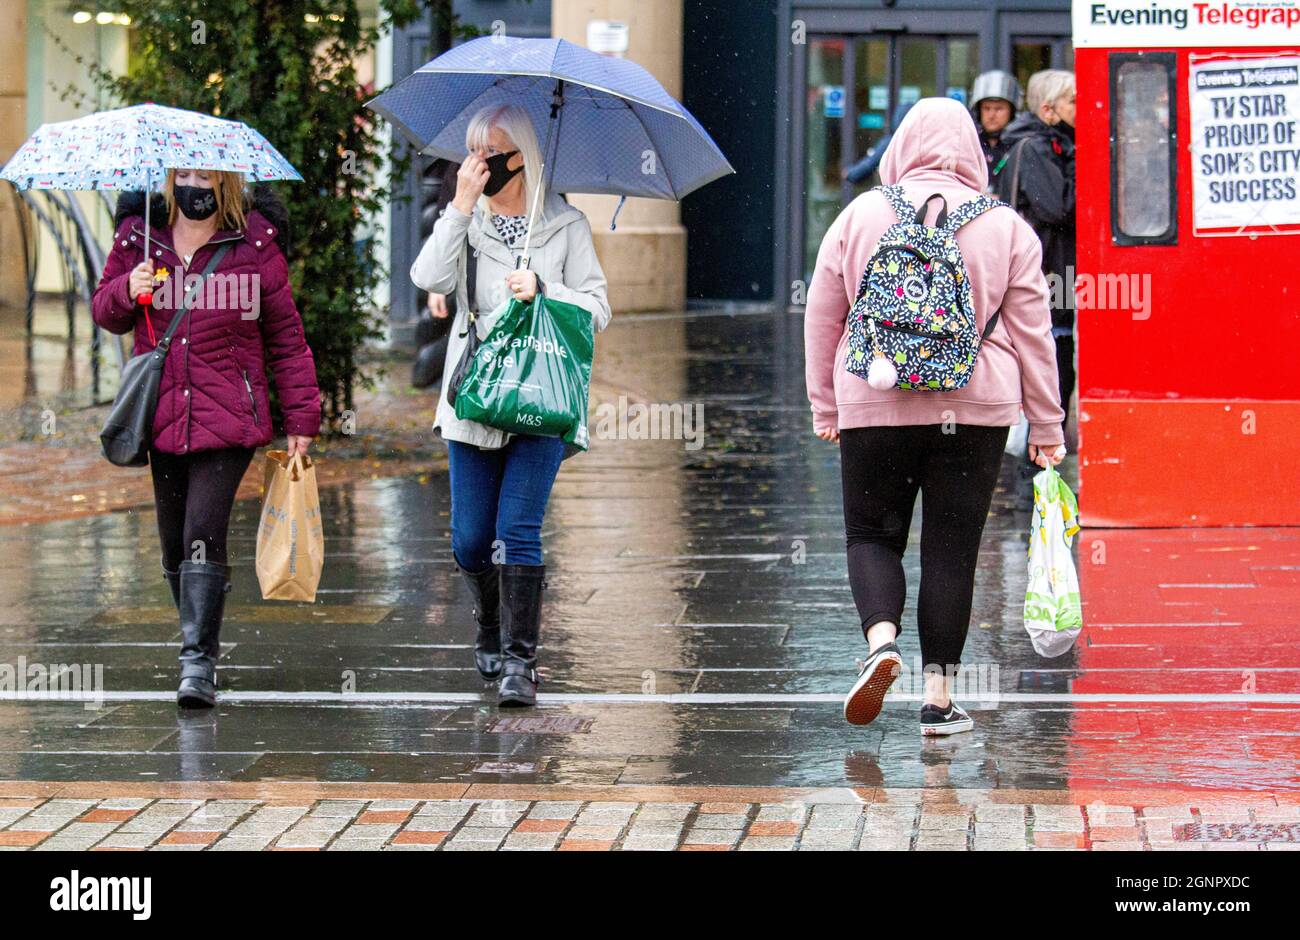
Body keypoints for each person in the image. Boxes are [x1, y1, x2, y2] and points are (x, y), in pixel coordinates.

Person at [804, 97, 1065, 736]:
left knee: (871, 536)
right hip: (974, 410)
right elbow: (1035, 332)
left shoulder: (861, 214)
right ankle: (940, 699)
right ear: (974, 151)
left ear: (901, 144)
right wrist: (1049, 425)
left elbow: (821, 313)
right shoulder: (1006, 227)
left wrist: (825, 402)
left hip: (874, 398)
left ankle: (881, 643)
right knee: (952, 550)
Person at [93, 170, 321, 708]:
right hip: (163, 415)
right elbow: (105, 312)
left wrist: (301, 420)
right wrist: (129, 289)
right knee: (175, 544)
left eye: (206, 175)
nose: (195, 184)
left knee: (202, 528)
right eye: (185, 174)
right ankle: (198, 634)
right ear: (171, 179)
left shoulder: (255, 241)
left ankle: (197, 662)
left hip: (230, 416)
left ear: (226, 180)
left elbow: (286, 336)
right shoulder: (138, 235)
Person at [410, 103, 611, 708]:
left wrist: (547, 291)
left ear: (524, 156)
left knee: (516, 530)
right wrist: (459, 208)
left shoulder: (566, 225)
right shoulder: (464, 219)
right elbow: (428, 278)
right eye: (473, 152)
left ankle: (521, 663)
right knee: (472, 540)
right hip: (475, 393)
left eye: (493, 153)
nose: (481, 163)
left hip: (542, 396)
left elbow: (599, 309)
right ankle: (490, 626)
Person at [994, 70, 1077, 432]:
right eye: (1072, 101)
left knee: (1058, 357)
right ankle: (1037, 459)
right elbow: (1058, 208)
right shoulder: (1038, 149)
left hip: (1055, 266)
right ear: (1049, 110)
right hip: (1047, 269)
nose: (1082, 107)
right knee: (1053, 359)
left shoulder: (1055, 145)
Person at [843, 101, 915, 186]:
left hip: (898, 190)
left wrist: (849, 173)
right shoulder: (924, 142)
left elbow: (869, 164)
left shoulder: (892, 142)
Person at [969, 70, 1022, 183]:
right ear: (978, 111)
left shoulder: (1020, 146)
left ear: (1012, 112)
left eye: (999, 109)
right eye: (987, 108)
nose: (991, 115)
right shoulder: (970, 144)